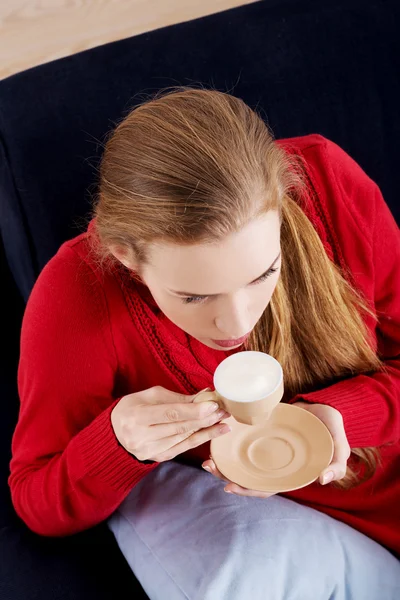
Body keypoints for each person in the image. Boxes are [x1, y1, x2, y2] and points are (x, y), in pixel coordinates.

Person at [9, 88, 400, 599]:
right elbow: (37, 500)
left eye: (265, 274)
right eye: (194, 295)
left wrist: (339, 414)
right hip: (341, 542)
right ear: (126, 256)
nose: (235, 322)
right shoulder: (77, 296)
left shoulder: (325, 181)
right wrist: (118, 444)